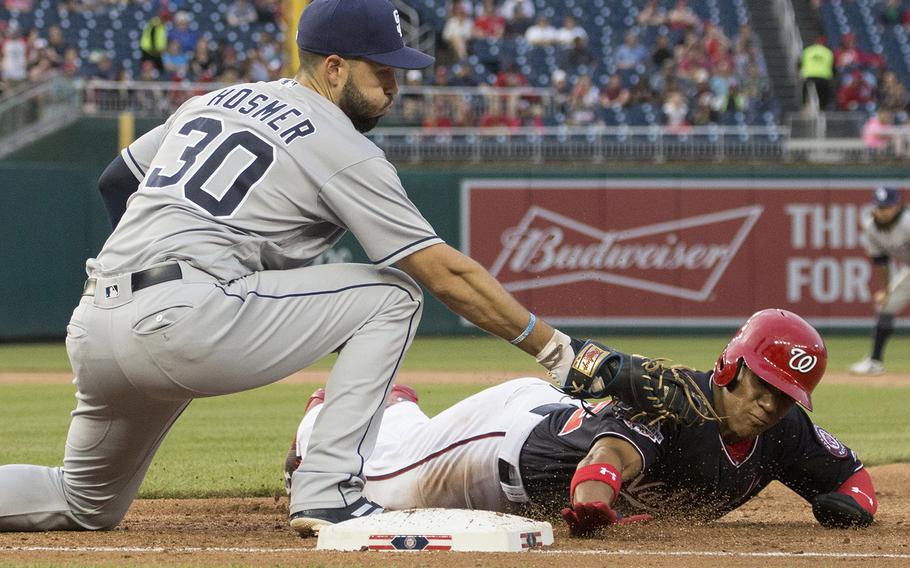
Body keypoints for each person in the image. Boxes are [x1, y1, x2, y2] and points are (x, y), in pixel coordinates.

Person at [0, 0, 691, 538]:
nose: (394, 87)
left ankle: (319, 483)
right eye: (379, 70)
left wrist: (169, 267)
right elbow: (444, 273)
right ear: (332, 67)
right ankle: (328, 492)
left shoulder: (212, 100)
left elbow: (116, 180)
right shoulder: (337, 139)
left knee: (84, 503)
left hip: (98, 323)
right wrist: (556, 350)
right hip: (183, 319)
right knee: (391, 295)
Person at [289, 309, 878, 533]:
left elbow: (851, 476)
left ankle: (400, 406)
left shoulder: (784, 430)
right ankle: (319, 420)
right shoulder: (669, 404)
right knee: (382, 483)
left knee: (406, 443)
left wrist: (851, 506)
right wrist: (596, 504)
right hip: (504, 446)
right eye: (764, 385)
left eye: (786, 394)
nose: (771, 404)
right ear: (731, 367)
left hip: (541, 431)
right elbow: (604, 465)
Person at [850, 187, 910, 376]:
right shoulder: (872, 227)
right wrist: (886, 290)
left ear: (896, 207)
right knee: (885, 305)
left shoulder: (908, 222)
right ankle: (875, 362)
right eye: (879, 207)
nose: (882, 211)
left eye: (887, 207)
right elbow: (882, 262)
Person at [799, 36, 835, 111]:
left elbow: (799, 63)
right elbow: (833, 66)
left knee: (806, 91)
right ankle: (822, 108)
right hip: (823, 77)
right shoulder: (828, 52)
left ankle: (804, 106)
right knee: (823, 94)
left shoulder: (808, 50)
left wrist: (801, 72)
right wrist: (833, 76)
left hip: (809, 76)